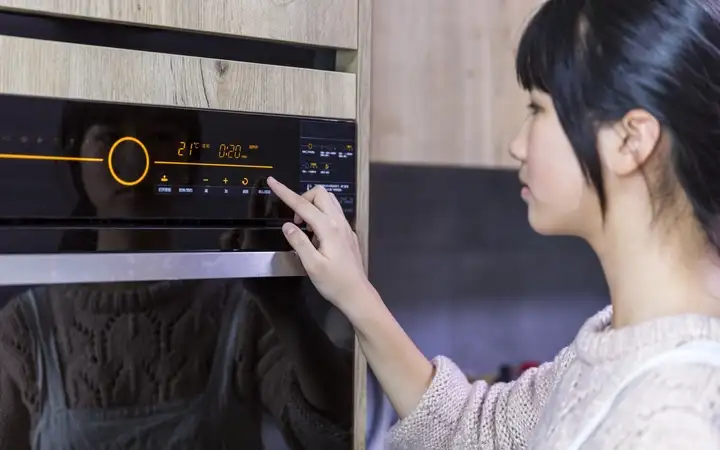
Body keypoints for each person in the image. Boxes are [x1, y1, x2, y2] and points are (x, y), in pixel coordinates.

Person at [266, 0, 720, 448]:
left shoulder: (676, 420)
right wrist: (354, 293)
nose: (517, 145)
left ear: (631, 140)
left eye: (538, 109)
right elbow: (478, 429)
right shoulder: (620, 340)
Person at [0, 103, 354, 449]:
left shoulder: (244, 314)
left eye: (161, 138)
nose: (134, 161)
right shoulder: (22, 329)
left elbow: (330, 434)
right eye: (108, 137)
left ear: (189, 164)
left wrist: (284, 307)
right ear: (75, 160)